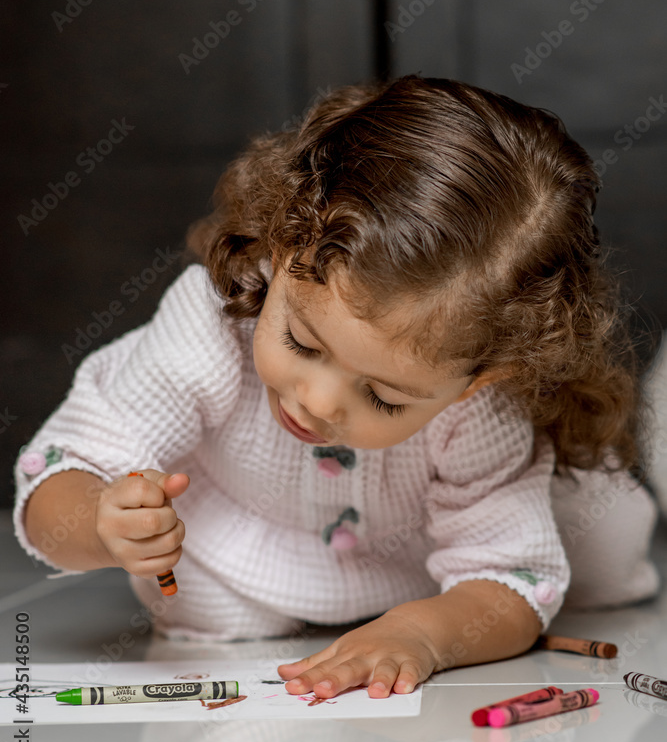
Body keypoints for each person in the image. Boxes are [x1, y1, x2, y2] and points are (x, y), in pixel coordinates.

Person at [14, 76, 659, 700]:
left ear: (475, 383)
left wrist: (424, 632)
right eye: (302, 342)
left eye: (384, 397)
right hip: (238, 533)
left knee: (601, 549)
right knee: (208, 611)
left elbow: (508, 579)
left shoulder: (480, 403)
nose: (318, 403)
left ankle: (578, 499)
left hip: (421, 561)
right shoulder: (210, 324)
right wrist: (101, 522)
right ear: (282, 242)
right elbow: (60, 477)